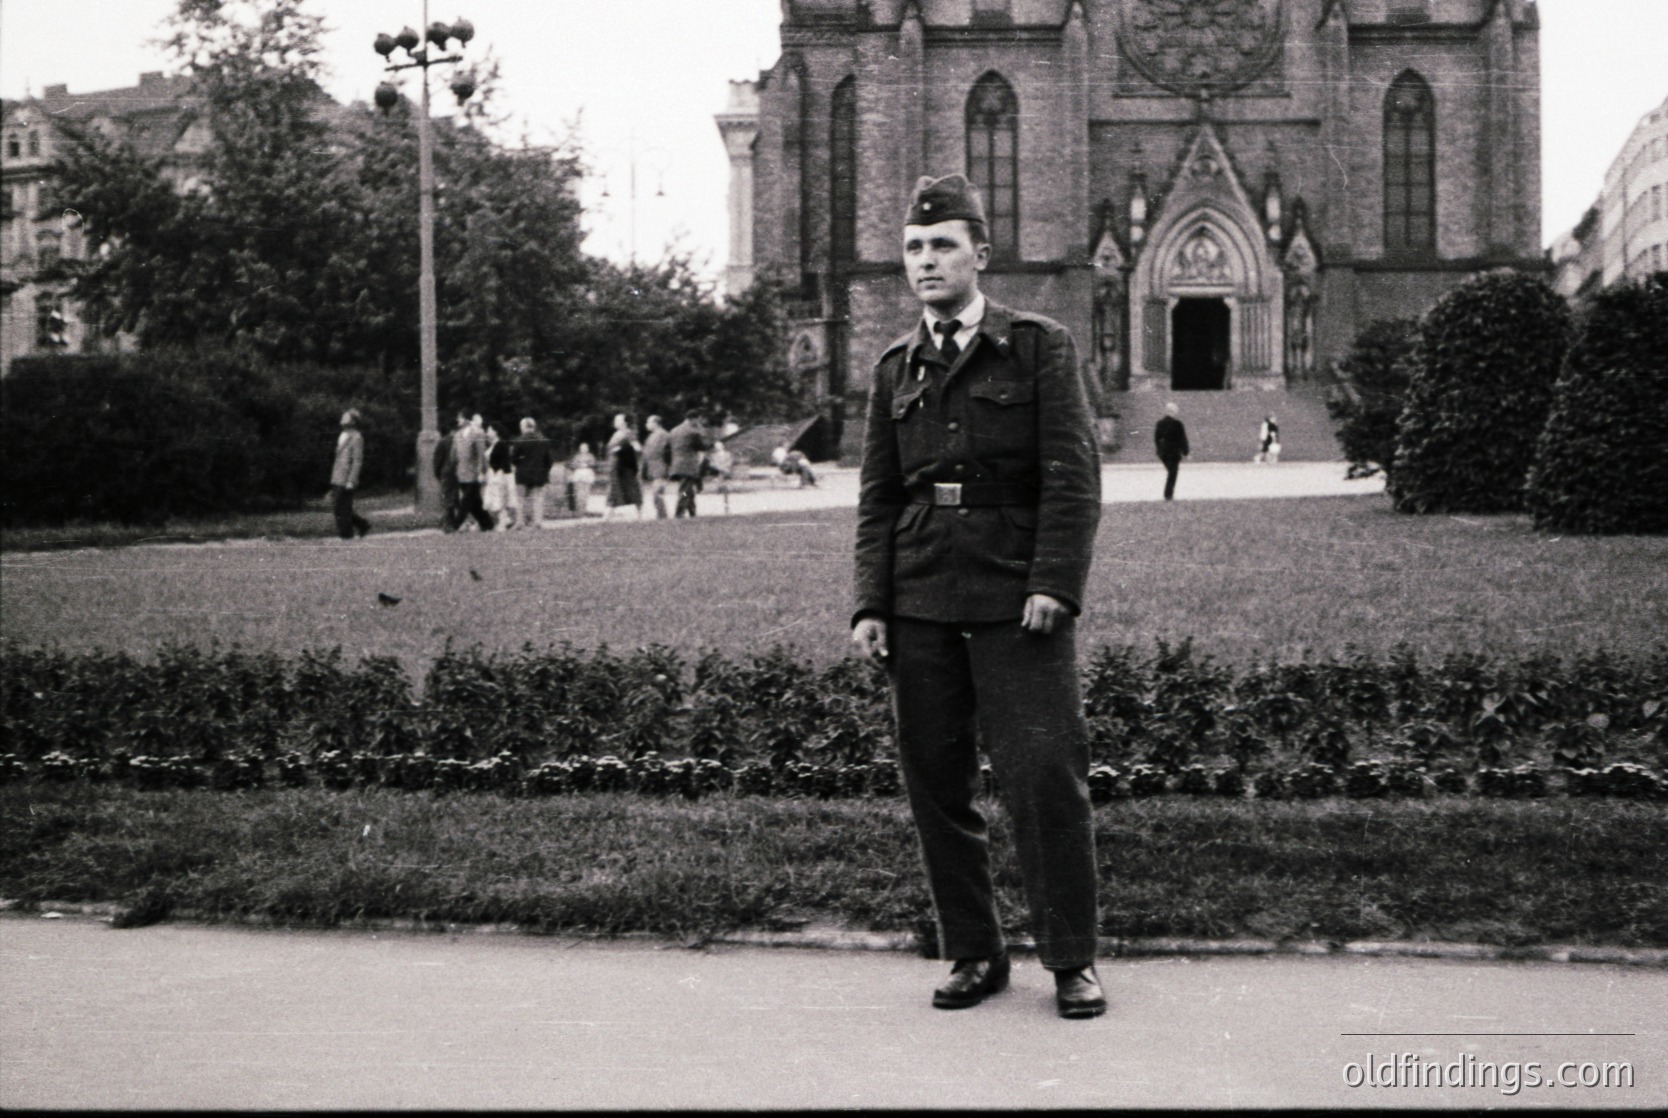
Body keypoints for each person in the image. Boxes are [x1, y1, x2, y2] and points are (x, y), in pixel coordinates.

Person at [851, 173, 1105, 1020]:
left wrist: (1054, 584)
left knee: (1043, 777)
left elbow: (1072, 479)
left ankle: (1070, 959)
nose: (927, 261)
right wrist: (870, 605)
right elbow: (879, 498)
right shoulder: (895, 367)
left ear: (980, 255)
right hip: (921, 594)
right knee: (936, 781)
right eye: (915, 249)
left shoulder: (1037, 347)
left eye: (943, 246)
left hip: (1013, 596)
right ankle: (975, 951)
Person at [329, 409, 371, 539]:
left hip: (346, 478)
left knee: (341, 507)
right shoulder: (343, 435)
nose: (342, 418)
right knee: (339, 507)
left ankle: (347, 536)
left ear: (352, 421)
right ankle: (362, 525)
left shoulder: (356, 437)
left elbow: (357, 460)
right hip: (337, 476)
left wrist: (351, 480)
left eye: (345, 416)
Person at [453, 411, 494, 532]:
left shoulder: (478, 434)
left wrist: (482, 471)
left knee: (465, 501)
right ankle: (488, 524)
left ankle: (455, 525)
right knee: (475, 504)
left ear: (468, 420)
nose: (458, 421)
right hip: (461, 474)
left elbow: (482, 455)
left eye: (460, 419)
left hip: (474, 475)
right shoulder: (458, 435)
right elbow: (456, 455)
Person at [510, 417, 555, 529]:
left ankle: (520, 522)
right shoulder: (543, 441)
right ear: (533, 427)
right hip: (539, 474)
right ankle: (538, 522)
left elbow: (513, 458)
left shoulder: (519, 441)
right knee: (538, 499)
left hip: (522, 473)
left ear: (524, 427)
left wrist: (520, 465)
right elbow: (549, 460)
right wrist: (545, 471)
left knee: (520, 499)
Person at [667, 410, 710, 518]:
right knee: (685, 490)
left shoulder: (674, 430)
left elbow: (667, 449)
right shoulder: (692, 432)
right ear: (693, 419)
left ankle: (692, 513)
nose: (699, 422)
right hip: (688, 465)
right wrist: (702, 431)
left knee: (689, 490)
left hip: (676, 464)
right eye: (698, 420)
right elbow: (701, 446)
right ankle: (678, 514)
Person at [605, 413, 644, 520]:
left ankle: (638, 514)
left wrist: (622, 449)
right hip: (615, 467)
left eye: (618, 420)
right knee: (614, 489)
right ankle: (608, 515)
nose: (615, 422)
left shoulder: (628, 433)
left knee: (632, 489)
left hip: (625, 467)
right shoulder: (616, 434)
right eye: (615, 420)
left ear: (624, 422)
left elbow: (638, 449)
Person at [484, 422, 519, 530]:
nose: (487, 432)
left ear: (495, 432)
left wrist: (504, 477)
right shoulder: (493, 445)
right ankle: (506, 520)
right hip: (492, 474)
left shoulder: (501, 444)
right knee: (493, 500)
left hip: (500, 475)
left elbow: (505, 462)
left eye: (489, 430)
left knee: (500, 499)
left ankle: (503, 523)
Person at [1154, 401, 1189, 501]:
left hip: (1164, 453)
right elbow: (1182, 439)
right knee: (1173, 473)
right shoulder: (1178, 424)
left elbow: (1156, 438)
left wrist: (1159, 450)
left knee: (1171, 472)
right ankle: (1168, 495)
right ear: (1173, 412)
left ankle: (1168, 495)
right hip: (1174, 453)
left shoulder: (1159, 423)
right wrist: (1186, 452)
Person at [433, 414, 464, 531]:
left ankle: (448, 522)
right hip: (453, 473)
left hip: (447, 473)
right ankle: (448, 523)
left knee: (449, 498)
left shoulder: (444, 441)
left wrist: (439, 474)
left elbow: (437, 462)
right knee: (452, 499)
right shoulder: (451, 441)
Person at [639, 414, 672, 519]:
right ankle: (661, 515)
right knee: (656, 494)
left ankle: (662, 515)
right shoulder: (651, 436)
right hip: (653, 469)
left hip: (660, 467)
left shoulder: (664, 435)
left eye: (648, 422)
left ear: (656, 423)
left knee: (657, 493)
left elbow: (668, 452)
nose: (646, 424)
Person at [707, 439, 735, 514]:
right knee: (718, 489)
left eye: (719, 446)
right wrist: (719, 468)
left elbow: (730, 462)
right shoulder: (713, 456)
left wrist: (724, 468)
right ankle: (719, 507)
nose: (718, 447)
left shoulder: (728, 454)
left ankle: (727, 507)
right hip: (718, 473)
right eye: (716, 446)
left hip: (726, 473)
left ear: (722, 446)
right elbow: (712, 464)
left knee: (727, 490)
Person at [569, 442, 598, 516]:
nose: (583, 449)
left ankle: (585, 507)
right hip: (578, 472)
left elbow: (593, 463)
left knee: (586, 490)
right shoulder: (577, 456)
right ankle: (579, 508)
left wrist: (587, 464)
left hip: (588, 472)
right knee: (578, 490)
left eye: (585, 448)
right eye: (582, 448)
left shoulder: (590, 456)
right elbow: (573, 464)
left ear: (587, 449)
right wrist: (579, 464)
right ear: (580, 449)